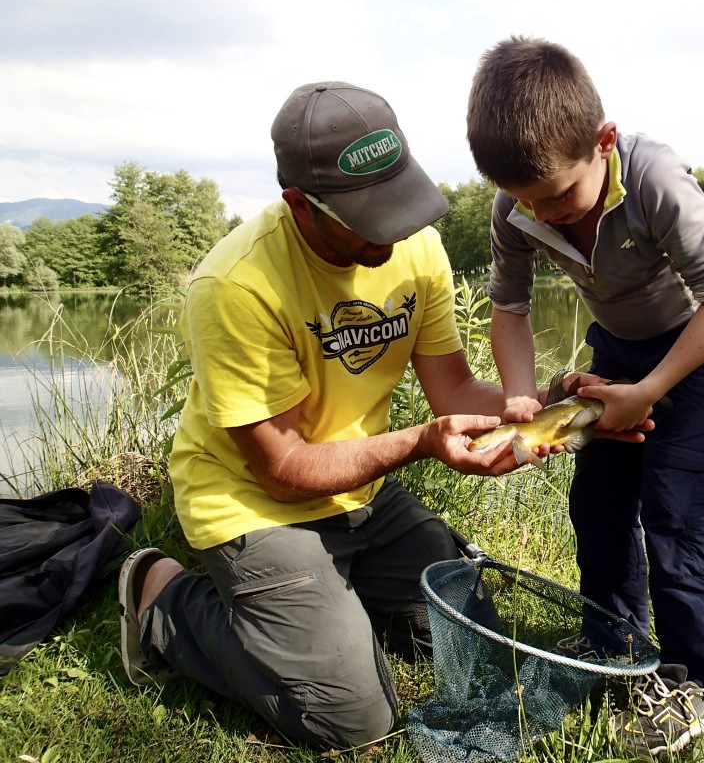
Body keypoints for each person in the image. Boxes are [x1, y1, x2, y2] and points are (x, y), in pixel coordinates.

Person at [117, 81, 543, 752]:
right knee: (350, 722)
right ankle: (163, 598)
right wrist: (423, 443)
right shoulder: (235, 285)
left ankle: (322, 608)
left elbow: (454, 387)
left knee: (475, 647)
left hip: (360, 489)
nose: (397, 229)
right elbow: (284, 469)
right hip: (254, 503)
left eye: (399, 201)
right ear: (299, 204)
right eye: (370, 215)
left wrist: (544, 409)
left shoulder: (418, 249)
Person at [466, 37, 704, 757]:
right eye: (523, 200)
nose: (541, 213)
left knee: (674, 514)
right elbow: (510, 309)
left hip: (699, 348)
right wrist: (523, 398)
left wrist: (649, 390)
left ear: (604, 141)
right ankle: (614, 636)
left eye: (556, 195)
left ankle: (696, 680)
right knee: (597, 501)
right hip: (617, 348)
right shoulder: (516, 206)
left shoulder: (655, 180)